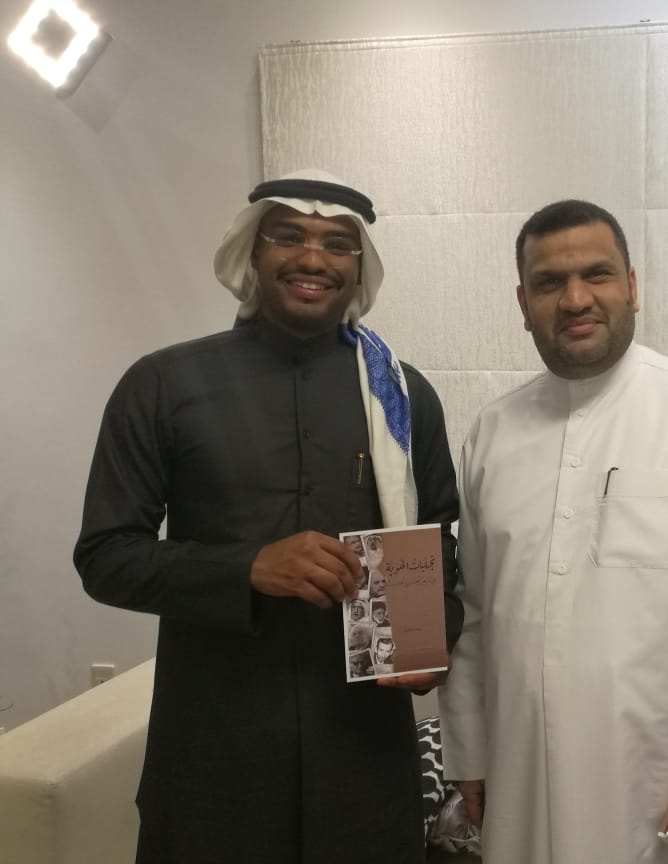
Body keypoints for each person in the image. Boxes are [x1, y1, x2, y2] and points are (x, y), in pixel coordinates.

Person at [74, 170, 462, 863]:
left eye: (337, 244)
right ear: (253, 250)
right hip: (214, 769)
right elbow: (106, 557)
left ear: (359, 266)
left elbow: (440, 553)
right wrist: (248, 568)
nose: (313, 258)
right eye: (289, 236)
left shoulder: (403, 397)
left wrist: (435, 645)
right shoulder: (162, 385)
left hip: (365, 771)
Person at [438, 199, 668, 864]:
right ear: (522, 303)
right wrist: (468, 752)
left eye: (597, 274)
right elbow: (472, 617)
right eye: (549, 283)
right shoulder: (491, 436)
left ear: (632, 286)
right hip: (523, 779)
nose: (575, 299)